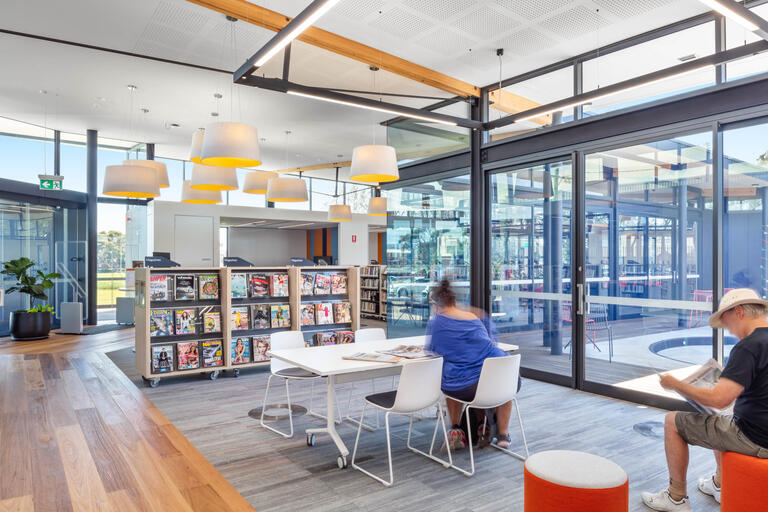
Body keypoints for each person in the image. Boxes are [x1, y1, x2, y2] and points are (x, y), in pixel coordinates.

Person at [642, 288, 768, 511]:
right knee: (720, 420)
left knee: (673, 422)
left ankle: (676, 497)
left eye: (728, 322)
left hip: (757, 438)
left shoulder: (749, 346)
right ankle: (720, 484)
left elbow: (719, 399)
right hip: (762, 428)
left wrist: (676, 384)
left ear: (739, 312)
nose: (729, 330)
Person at [425, 279, 516, 451]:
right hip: (503, 382)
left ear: (437, 305)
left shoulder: (437, 322)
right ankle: (502, 434)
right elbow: (491, 341)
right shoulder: (475, 317)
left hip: (467, 388)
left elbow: (432, 350)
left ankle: (456, 430)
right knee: (498, 382)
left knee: (451, 376)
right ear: (455, 302)